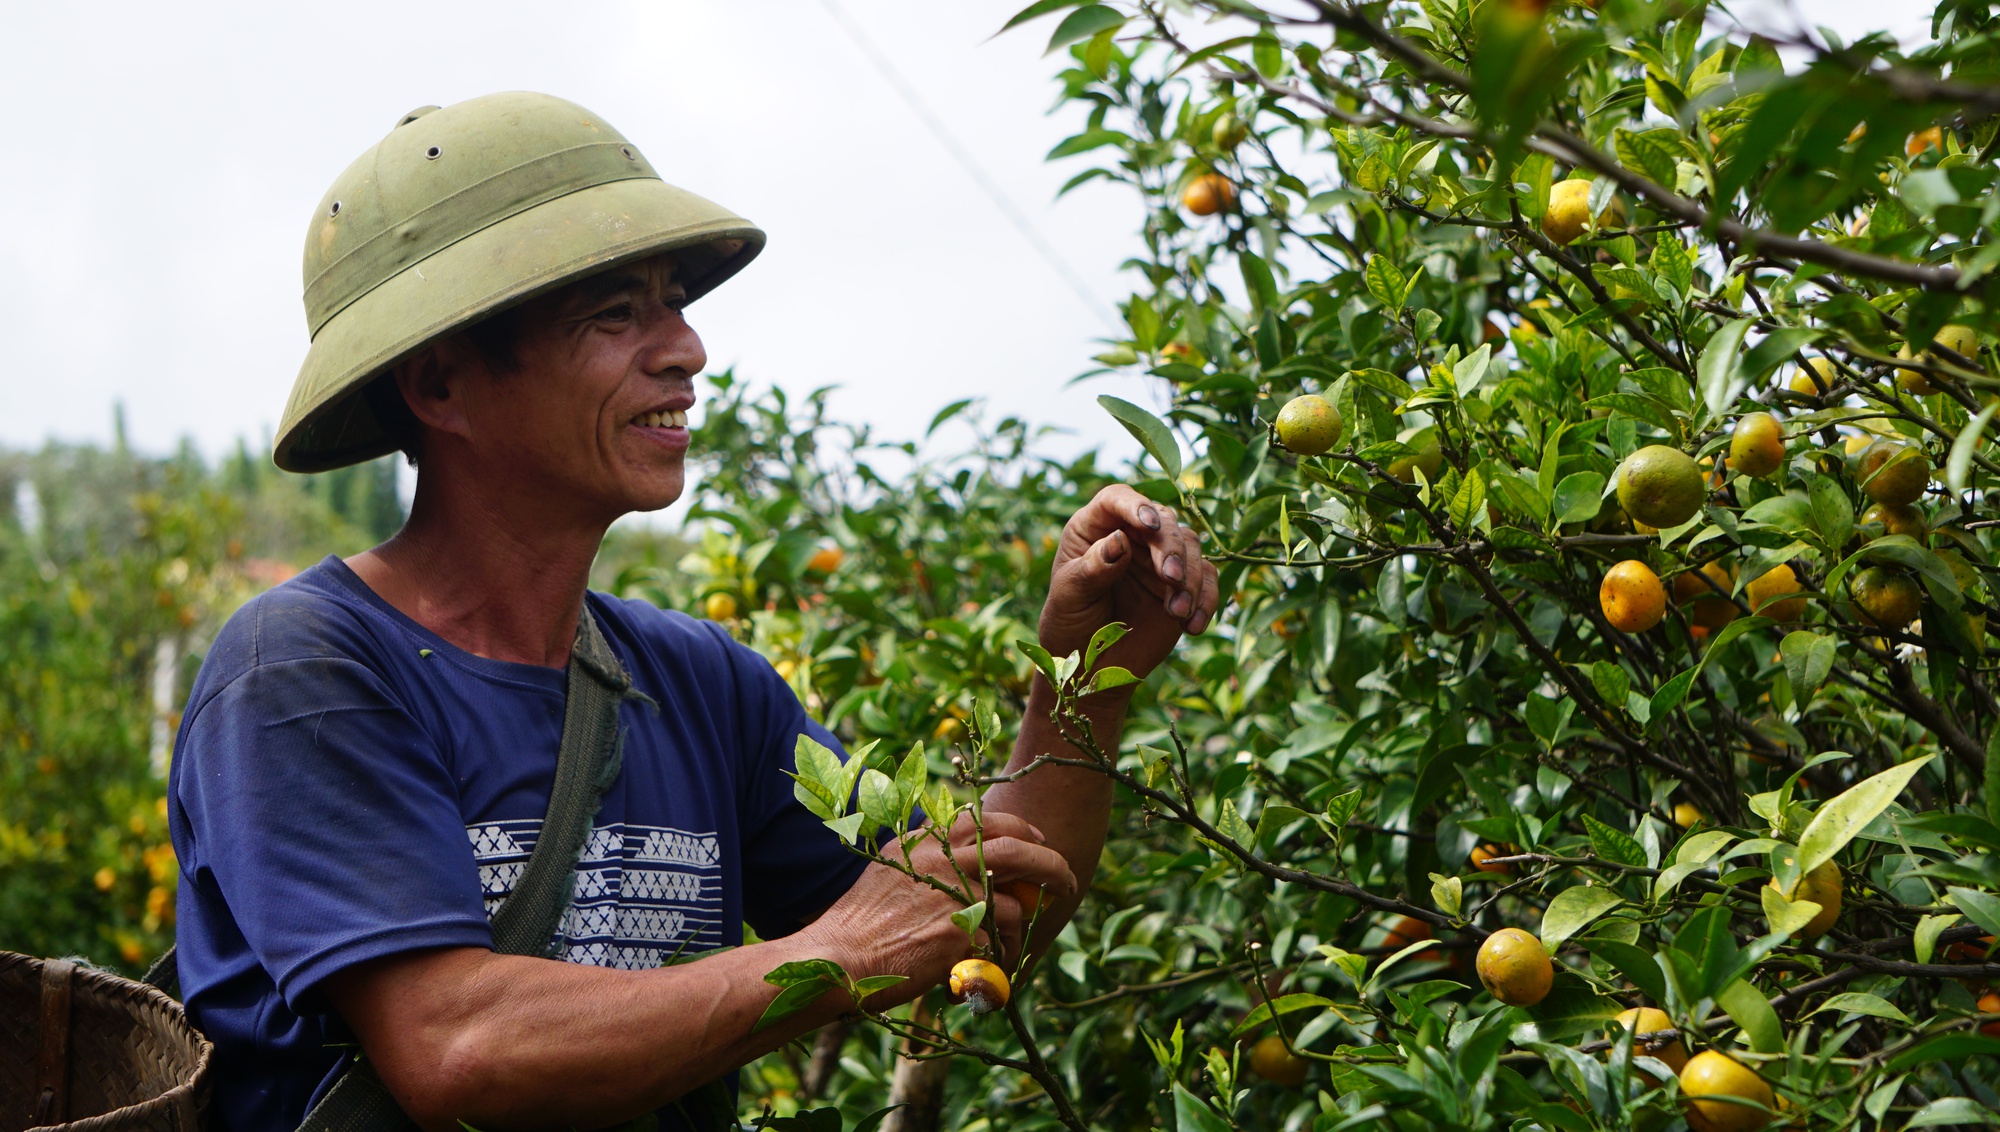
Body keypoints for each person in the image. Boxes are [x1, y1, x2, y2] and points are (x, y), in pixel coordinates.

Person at [166, 91, 1219, 1132]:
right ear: (440, 383)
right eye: (615, 312)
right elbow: (456, 1045)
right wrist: (839, 952)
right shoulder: (305, 667)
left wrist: (1083, 672)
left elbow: (977, 927)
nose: (685, 348)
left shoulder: (701, 686)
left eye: (674, 300)